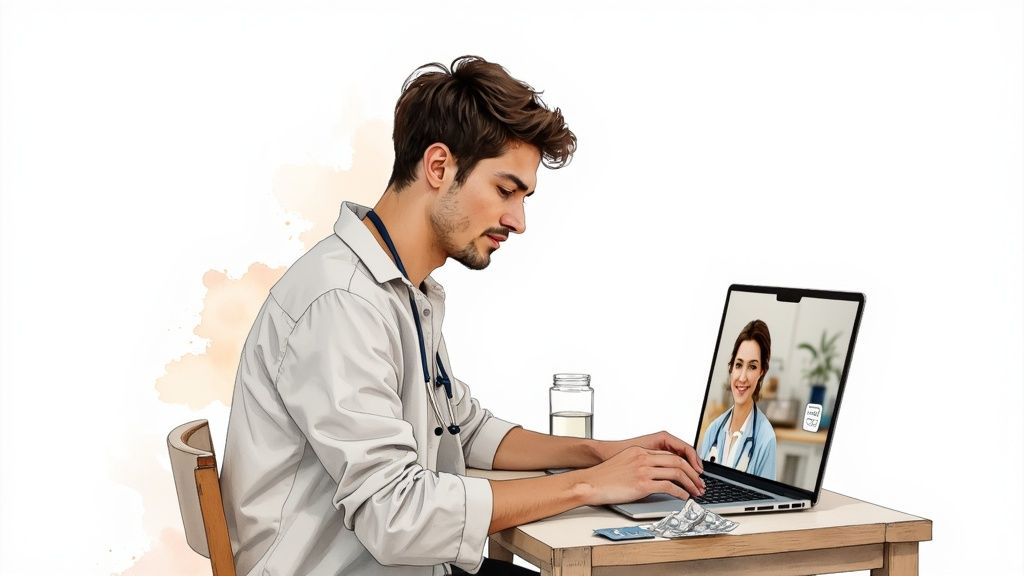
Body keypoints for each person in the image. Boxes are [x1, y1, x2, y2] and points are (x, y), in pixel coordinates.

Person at [220, 56, 706, 576]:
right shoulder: (342, 302)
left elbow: (463, 430)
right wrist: (590, 485)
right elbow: (397, 516)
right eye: (505, 189)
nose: (517, 221)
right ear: (438, 166)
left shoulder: (400, 289)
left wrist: (601, 452)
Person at [698, 319, 778, 480]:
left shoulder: (766, 438)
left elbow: (765, 502)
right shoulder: (713, 431)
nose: (742, 377)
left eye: (752, 367)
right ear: (731, 368)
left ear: (762, 371)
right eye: (739, 365)